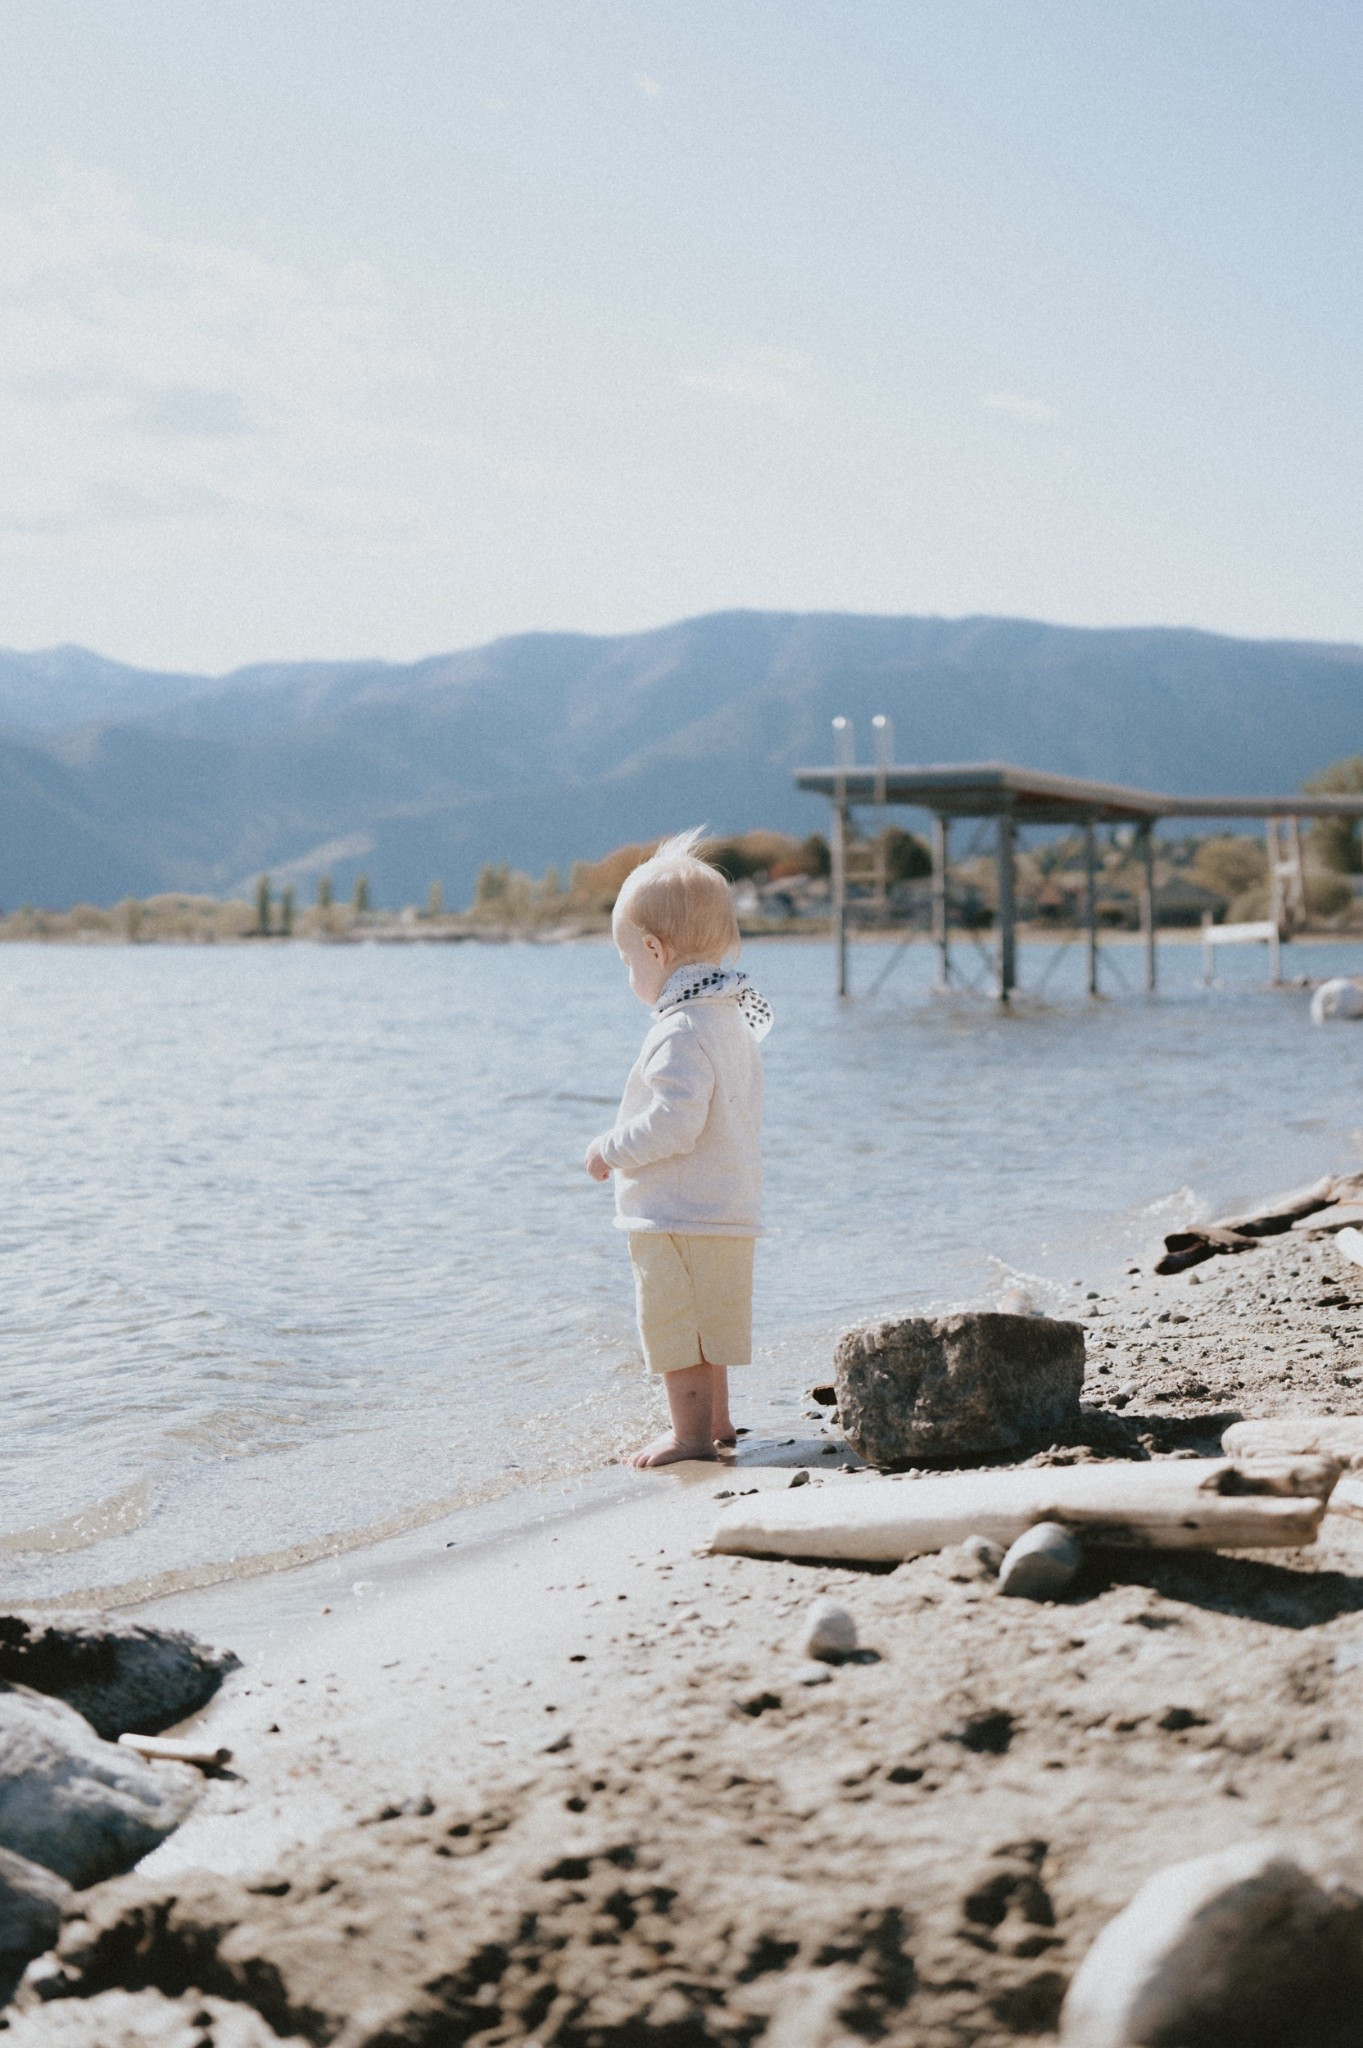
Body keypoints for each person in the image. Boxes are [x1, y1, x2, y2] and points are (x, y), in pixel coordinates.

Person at [585, 829, 773, 1467]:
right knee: (710, 1327)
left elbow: (674, 1122)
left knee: (676, 1330)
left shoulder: (680, 1029)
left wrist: (611, 1148)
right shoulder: (733, 1019)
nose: (630, 975)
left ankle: (690, 1438)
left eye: (628, 963)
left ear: (654, 949)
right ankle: (717, 1422)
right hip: (727, 1202)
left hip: (677, 1210)